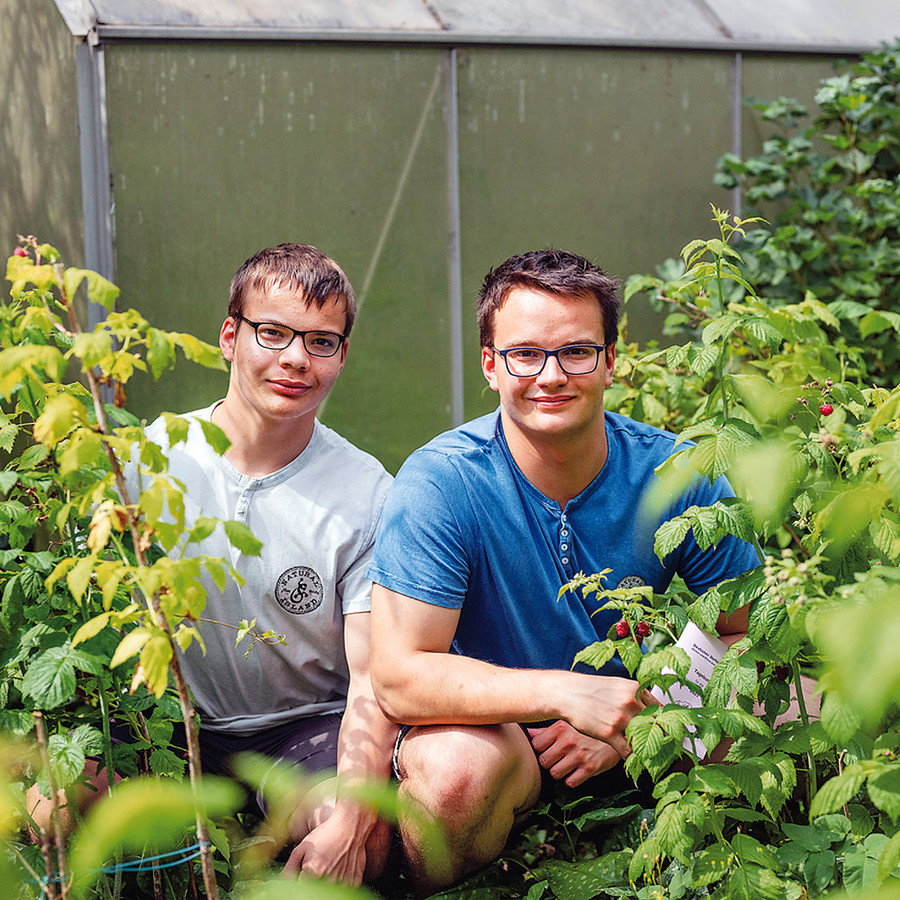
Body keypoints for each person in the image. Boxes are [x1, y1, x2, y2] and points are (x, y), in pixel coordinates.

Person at [367, 248, 760, 892]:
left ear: (611, 360)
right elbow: (401, 678)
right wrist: (565, 693)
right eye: (525, 352)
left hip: (627, 727)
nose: (551, 375)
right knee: (454, 771)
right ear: (492, 365)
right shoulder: (443, 480)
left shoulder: (676, 474)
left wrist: (641, 729)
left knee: (807, 702)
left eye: (576, 351)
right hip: (494, 735)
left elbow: (750, 637)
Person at [122, 243, 395, 883]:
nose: (296, 359)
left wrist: (351, 822)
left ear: (341, 355)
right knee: (54, 798)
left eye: (321, 342)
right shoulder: (148, 461)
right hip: (163, 728)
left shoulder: (366, 494)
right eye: (272, 333)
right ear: (229, 336)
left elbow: (369, 680)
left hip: (301, 734)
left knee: (348, 828)